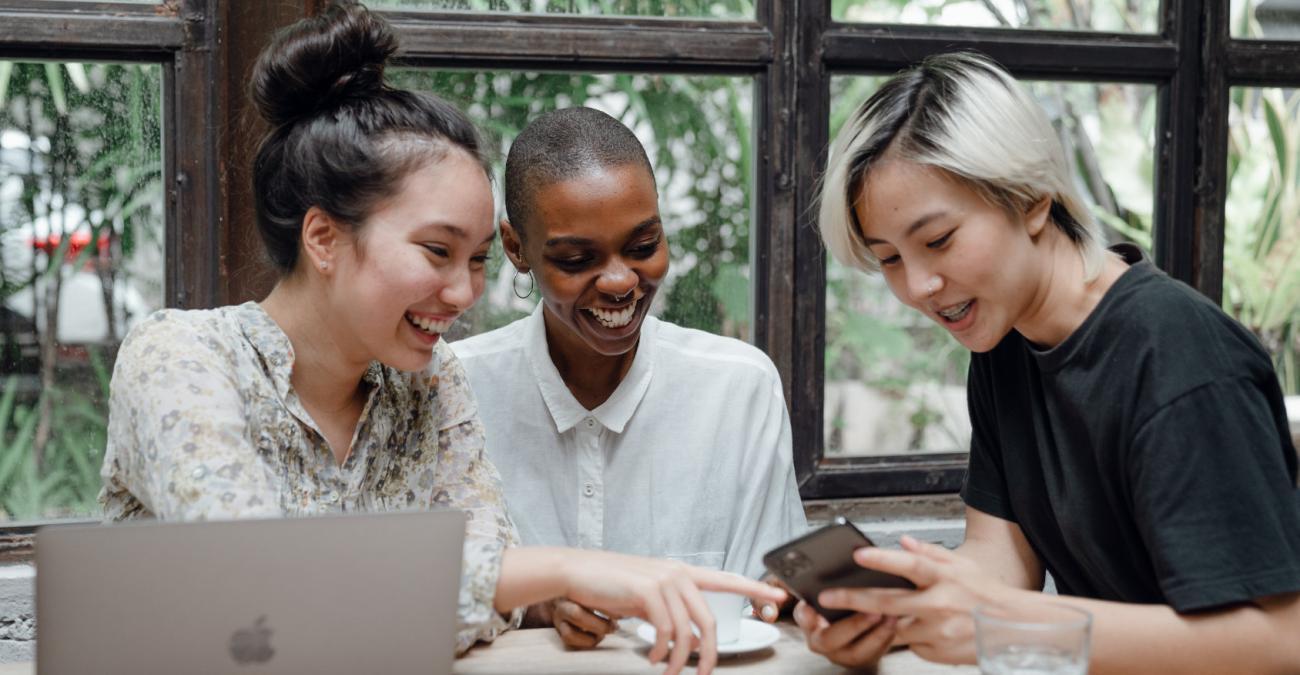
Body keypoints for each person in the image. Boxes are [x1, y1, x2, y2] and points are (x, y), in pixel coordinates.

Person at [97, 5, 783, 674]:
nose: (464, 293)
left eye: (478, 259)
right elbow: (259, 602)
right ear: (323, 237)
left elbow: (496, 600)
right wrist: (568, 566)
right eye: (436, 251)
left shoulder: (430, 380)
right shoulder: (182, 358)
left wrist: (501, 588)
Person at [802, 51, 1300, 673]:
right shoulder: (1002, 339)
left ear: (1033, 198)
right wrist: (897, 610)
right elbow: (1001, 556)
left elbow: (1282, 642)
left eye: (937, 241)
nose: (919, 286)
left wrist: (1005, 623)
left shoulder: (1180, 356)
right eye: (890, 259)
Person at [451, 107, 807, 649]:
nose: (620, 281)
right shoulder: (456, 391)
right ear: (516, 248)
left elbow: (770, 601)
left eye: (643, 247)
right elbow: (415, 595)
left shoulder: (738, 389)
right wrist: (541, 602)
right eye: (576, 258)